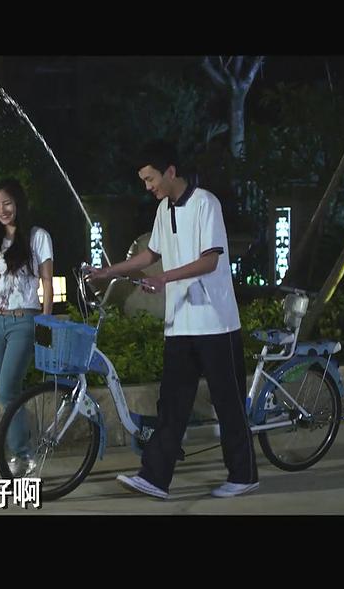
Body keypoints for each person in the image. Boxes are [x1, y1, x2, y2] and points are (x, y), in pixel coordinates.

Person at [88, 140, 258, 499]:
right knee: (172, 405)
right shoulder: (164, 209)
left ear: (170, 171)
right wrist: (109, 271)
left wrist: (164, 278)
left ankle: (243, 475)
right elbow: (151, 254)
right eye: (144, 181)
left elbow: (210, 260)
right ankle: (155, 477)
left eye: (150, 179)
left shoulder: (206, 203)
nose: (148, 186)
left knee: (227, 402)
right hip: (179, 323)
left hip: (215, 323)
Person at [0, 179, 53, 476]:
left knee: (7, 391)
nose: (2, 210)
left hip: (23, 320)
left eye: (7, 203)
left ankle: (23, 454)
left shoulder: (37, 236)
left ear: (18, 202)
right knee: (8, 391)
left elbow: (47, 281)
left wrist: (45, 321)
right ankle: (23, 451)